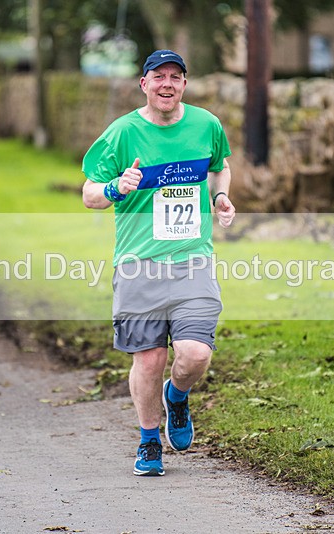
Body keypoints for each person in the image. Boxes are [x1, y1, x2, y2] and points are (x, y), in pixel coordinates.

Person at [81, 50, 236, 476]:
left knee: (195, 354)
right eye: (158, 76)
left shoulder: (206, 124)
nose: (167, 84)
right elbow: (89, 193)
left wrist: (220, 196)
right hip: (139, 265)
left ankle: (177, 395)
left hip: (192, 261)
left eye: (175, 77)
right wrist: (115, 187)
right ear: (144, 83)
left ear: (184, 84)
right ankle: (149, 440)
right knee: (148, 360)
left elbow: (219, 168)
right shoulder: (122, 133)